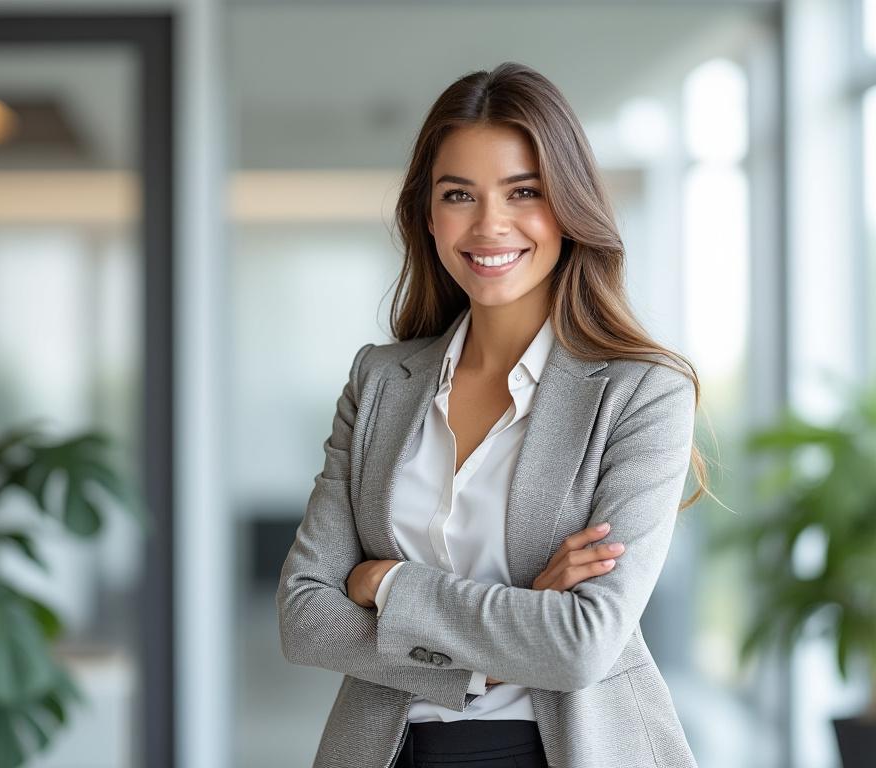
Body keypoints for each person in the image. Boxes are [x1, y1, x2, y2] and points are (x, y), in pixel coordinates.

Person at [276, 62, 711, 768]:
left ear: (569, 205)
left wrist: (385, 584)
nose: (489, 225)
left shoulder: (642, 393)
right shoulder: (380, 380)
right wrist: (509, 634)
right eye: (459, 195)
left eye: (524, 192)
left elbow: (580, 645)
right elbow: (304, 618)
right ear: (428, 214)